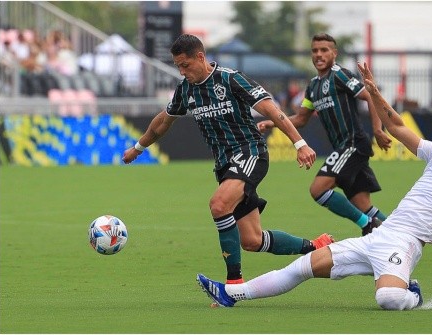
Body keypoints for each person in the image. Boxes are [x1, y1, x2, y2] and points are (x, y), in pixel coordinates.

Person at [196, 61, 432, 310]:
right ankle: (232, 293)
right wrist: (376, 93)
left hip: (405, 245)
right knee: (302, 267)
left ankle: (411, 294)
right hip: (380, 235)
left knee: (388, 299)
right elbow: (399, 127)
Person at [122, 34, 334, 284]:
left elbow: (271, 110)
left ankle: (234, 285)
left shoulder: (230, 79)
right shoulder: (186, 90)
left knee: (219, 204)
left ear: (200, 57)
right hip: (225, 165)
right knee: (252, 241)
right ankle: (317, 246)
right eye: (178, 66)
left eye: (185, 65)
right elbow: (162, 122)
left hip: (250, 152)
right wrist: (138, 147)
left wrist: (299, 143)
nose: (181, 71)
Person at [257, 33, 393, 236]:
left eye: (324, 50)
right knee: (364, 205)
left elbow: (372, 97)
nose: (318, 54)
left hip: (353, 144)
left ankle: (368, 225)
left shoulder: (339, 75)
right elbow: (302, 118)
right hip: (344, 147)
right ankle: (402, 232)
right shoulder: (313, 86)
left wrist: (378, 130)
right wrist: (273, 122)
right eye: (314, 50)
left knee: (318, 189)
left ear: (334, 53)